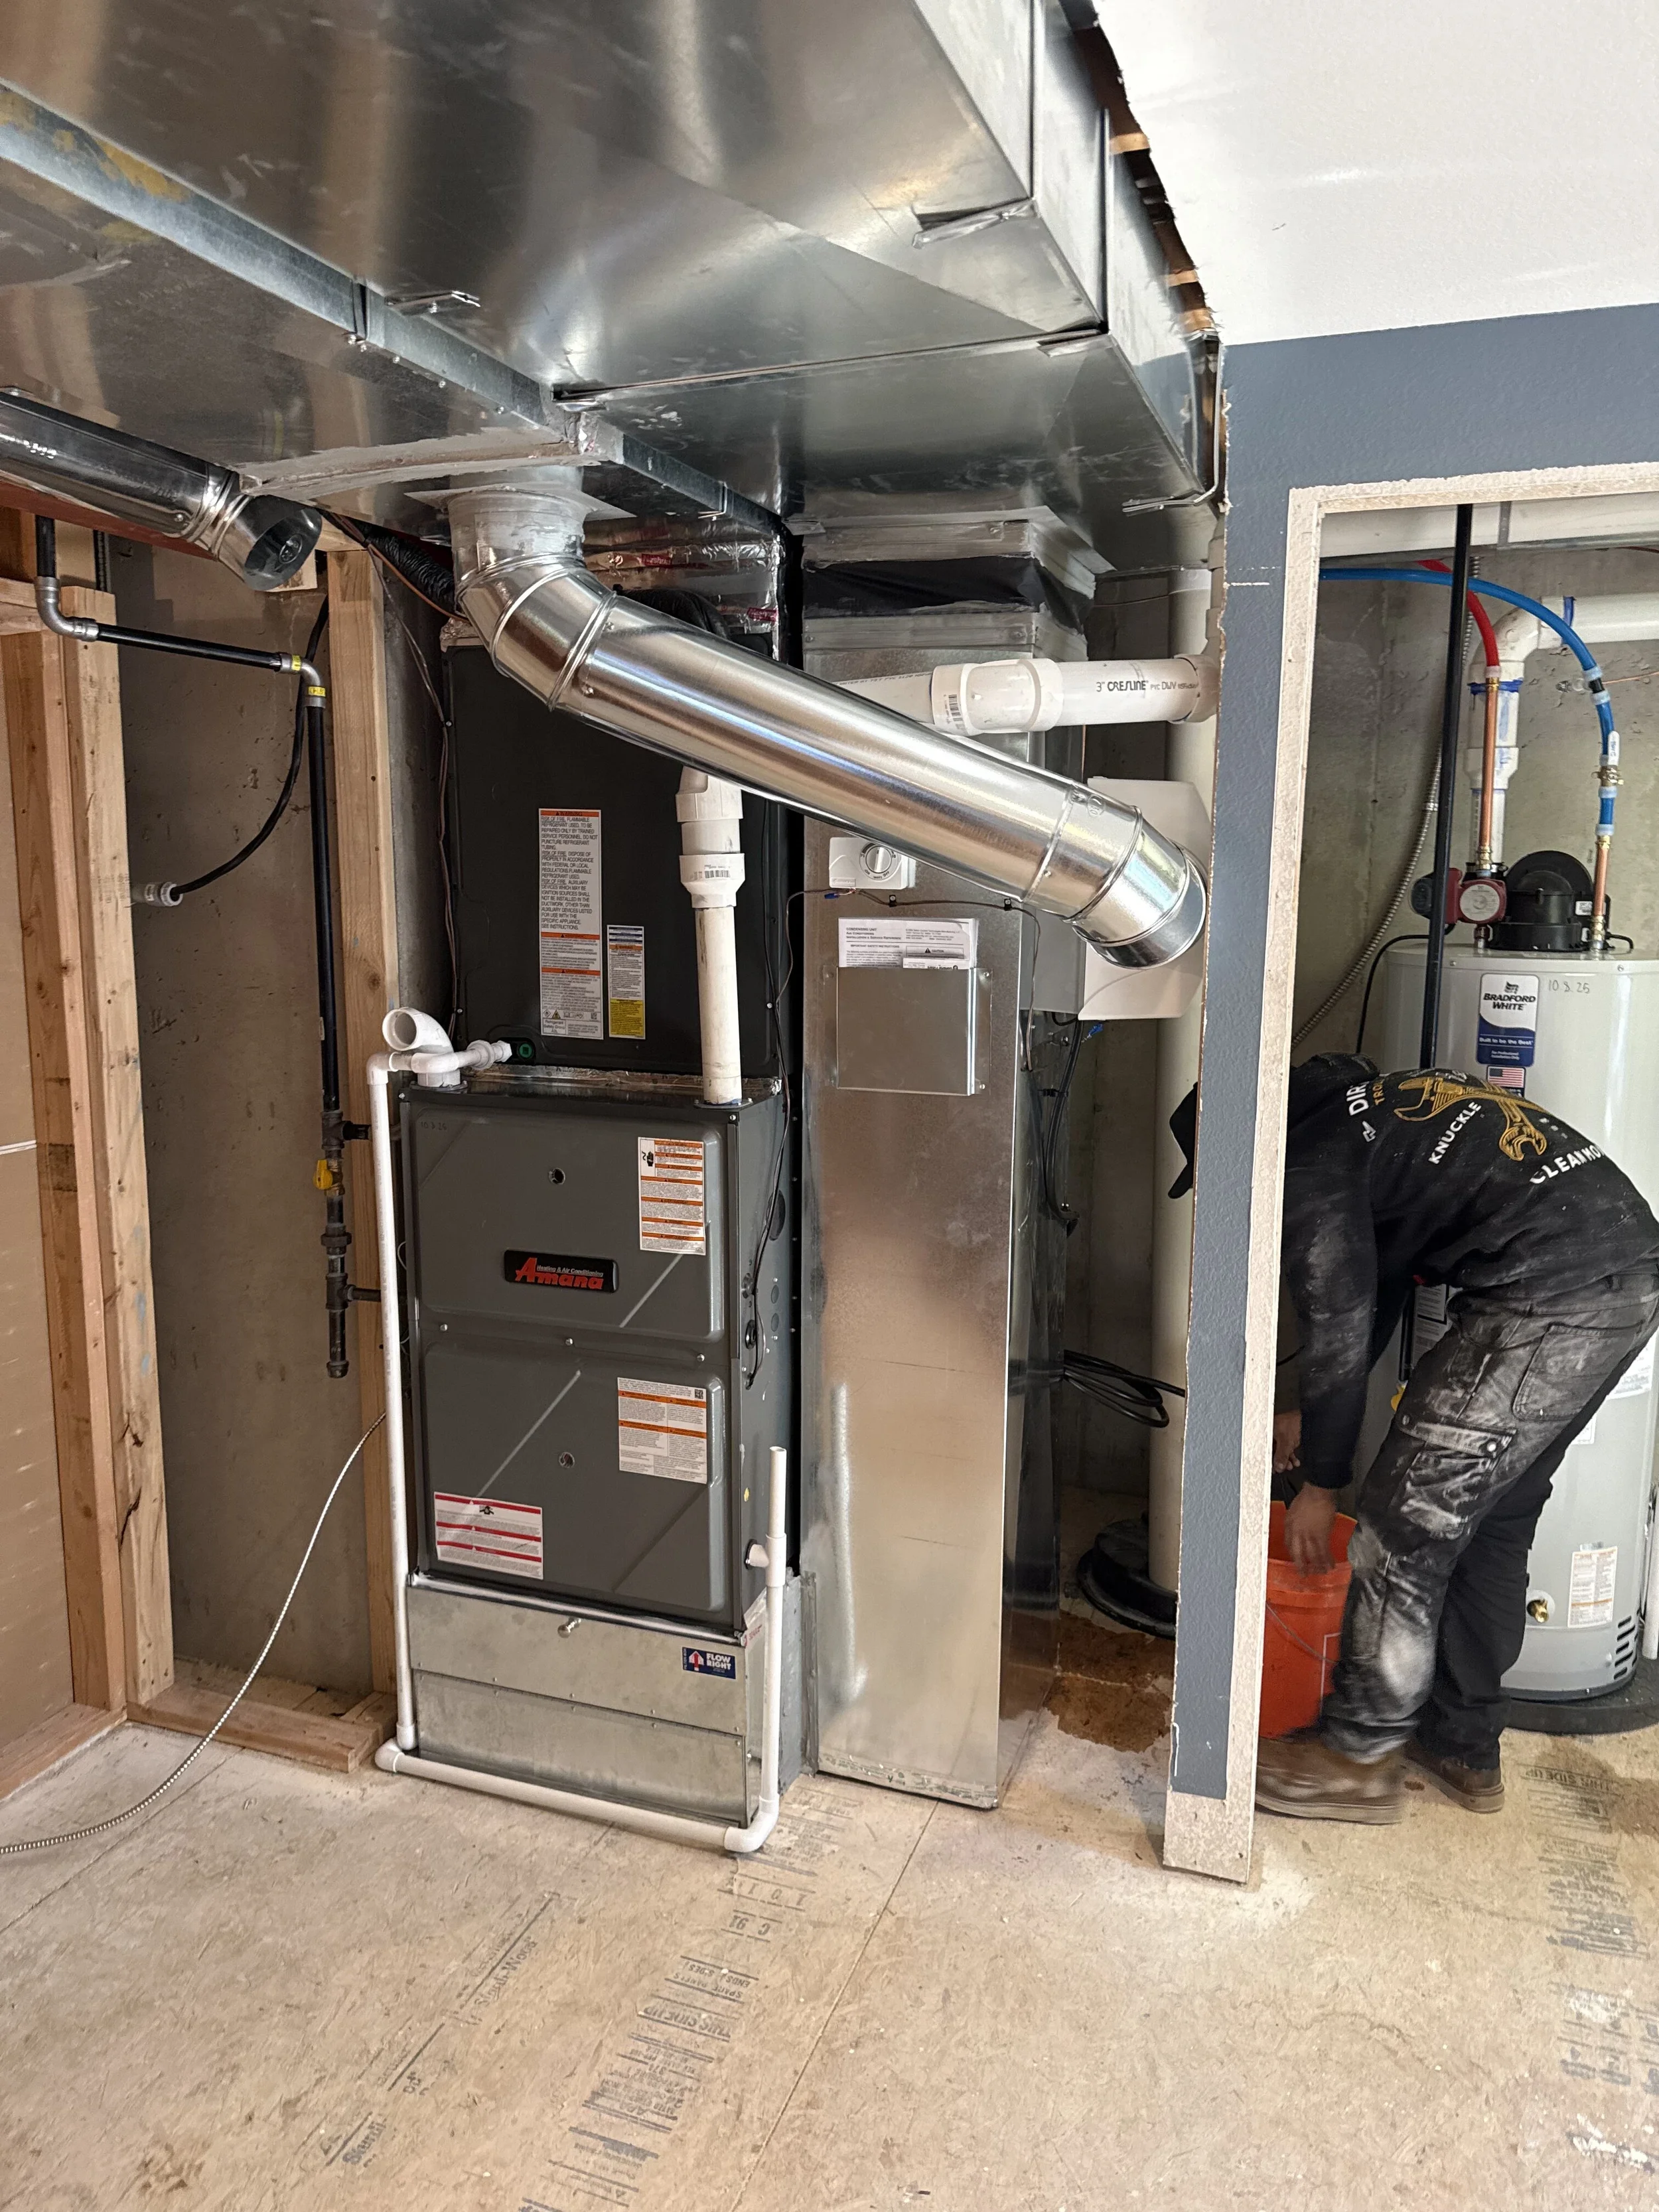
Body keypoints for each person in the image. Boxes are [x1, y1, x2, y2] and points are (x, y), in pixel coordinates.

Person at [1174, 1057, 1659, 1824]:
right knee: (1491, 1515)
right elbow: (1380, 1282)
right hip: (1623, 1267)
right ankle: (1460, 1742)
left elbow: (1334, 1322)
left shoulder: (1302, 1169)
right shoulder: (1364, 1118)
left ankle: (1353, 1760)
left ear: (1237, 1145)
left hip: (1545, 1294)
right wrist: (1311, 1415)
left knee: (1403, 1525)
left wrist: (1320, 1485)